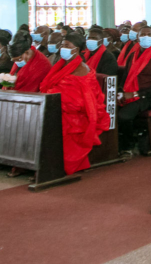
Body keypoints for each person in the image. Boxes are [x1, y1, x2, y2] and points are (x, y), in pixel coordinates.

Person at [38, 32, 109, 176]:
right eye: (62, 45)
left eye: (66, 46)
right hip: (59, 106)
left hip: (77, 113)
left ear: (76, 49)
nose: (62, 48)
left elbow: (76, 101)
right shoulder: (63, 64)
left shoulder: (82, 69)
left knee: (55, 122)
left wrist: (52, 93)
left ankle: (55, 165)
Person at [117, 27, 151, 156]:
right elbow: (125, 78)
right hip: (129, 92)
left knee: (123, 116)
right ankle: (114, 145)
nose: (146, 37)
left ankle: (128, 147)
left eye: (149, 34)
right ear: (137, 37)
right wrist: (120, 92)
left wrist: (135, 94)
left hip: (147, 96)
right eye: (143, 34)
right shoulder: (132, 56)